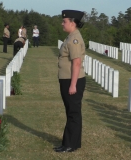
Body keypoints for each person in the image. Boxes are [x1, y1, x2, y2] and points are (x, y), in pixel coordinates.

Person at [54, 10, 86, 153]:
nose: (62, 23)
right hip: (67, 79)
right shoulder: (70, 37)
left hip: (72, 80)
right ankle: (71, 142)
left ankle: (70, 144)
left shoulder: (74, 39)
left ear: (73, 23)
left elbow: (77, 63)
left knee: (73, 112)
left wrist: (73, 84)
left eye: (64, 21)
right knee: (71, 111)